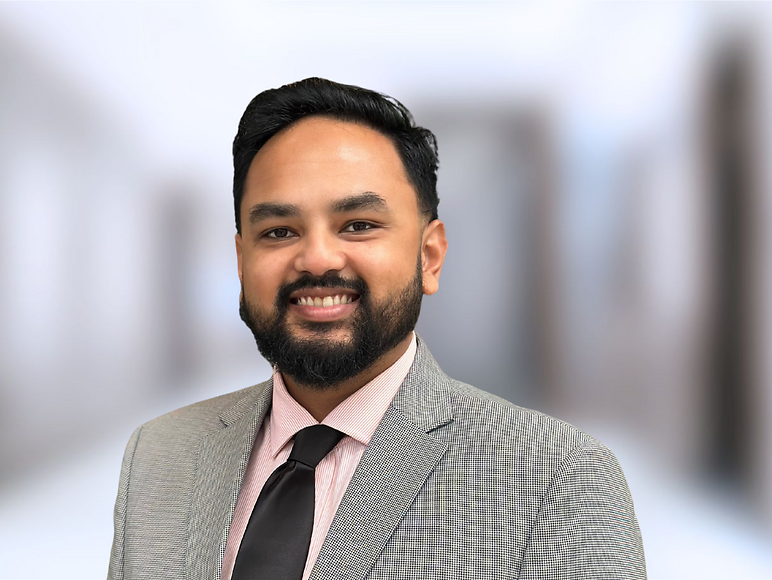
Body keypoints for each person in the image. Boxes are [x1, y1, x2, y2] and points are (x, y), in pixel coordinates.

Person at [107, 77, 646, 580]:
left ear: (429, 257)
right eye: (279, 231)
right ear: (242, 260)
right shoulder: (158, 455)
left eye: (359, 225)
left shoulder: (560, 479)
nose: (317, 258)